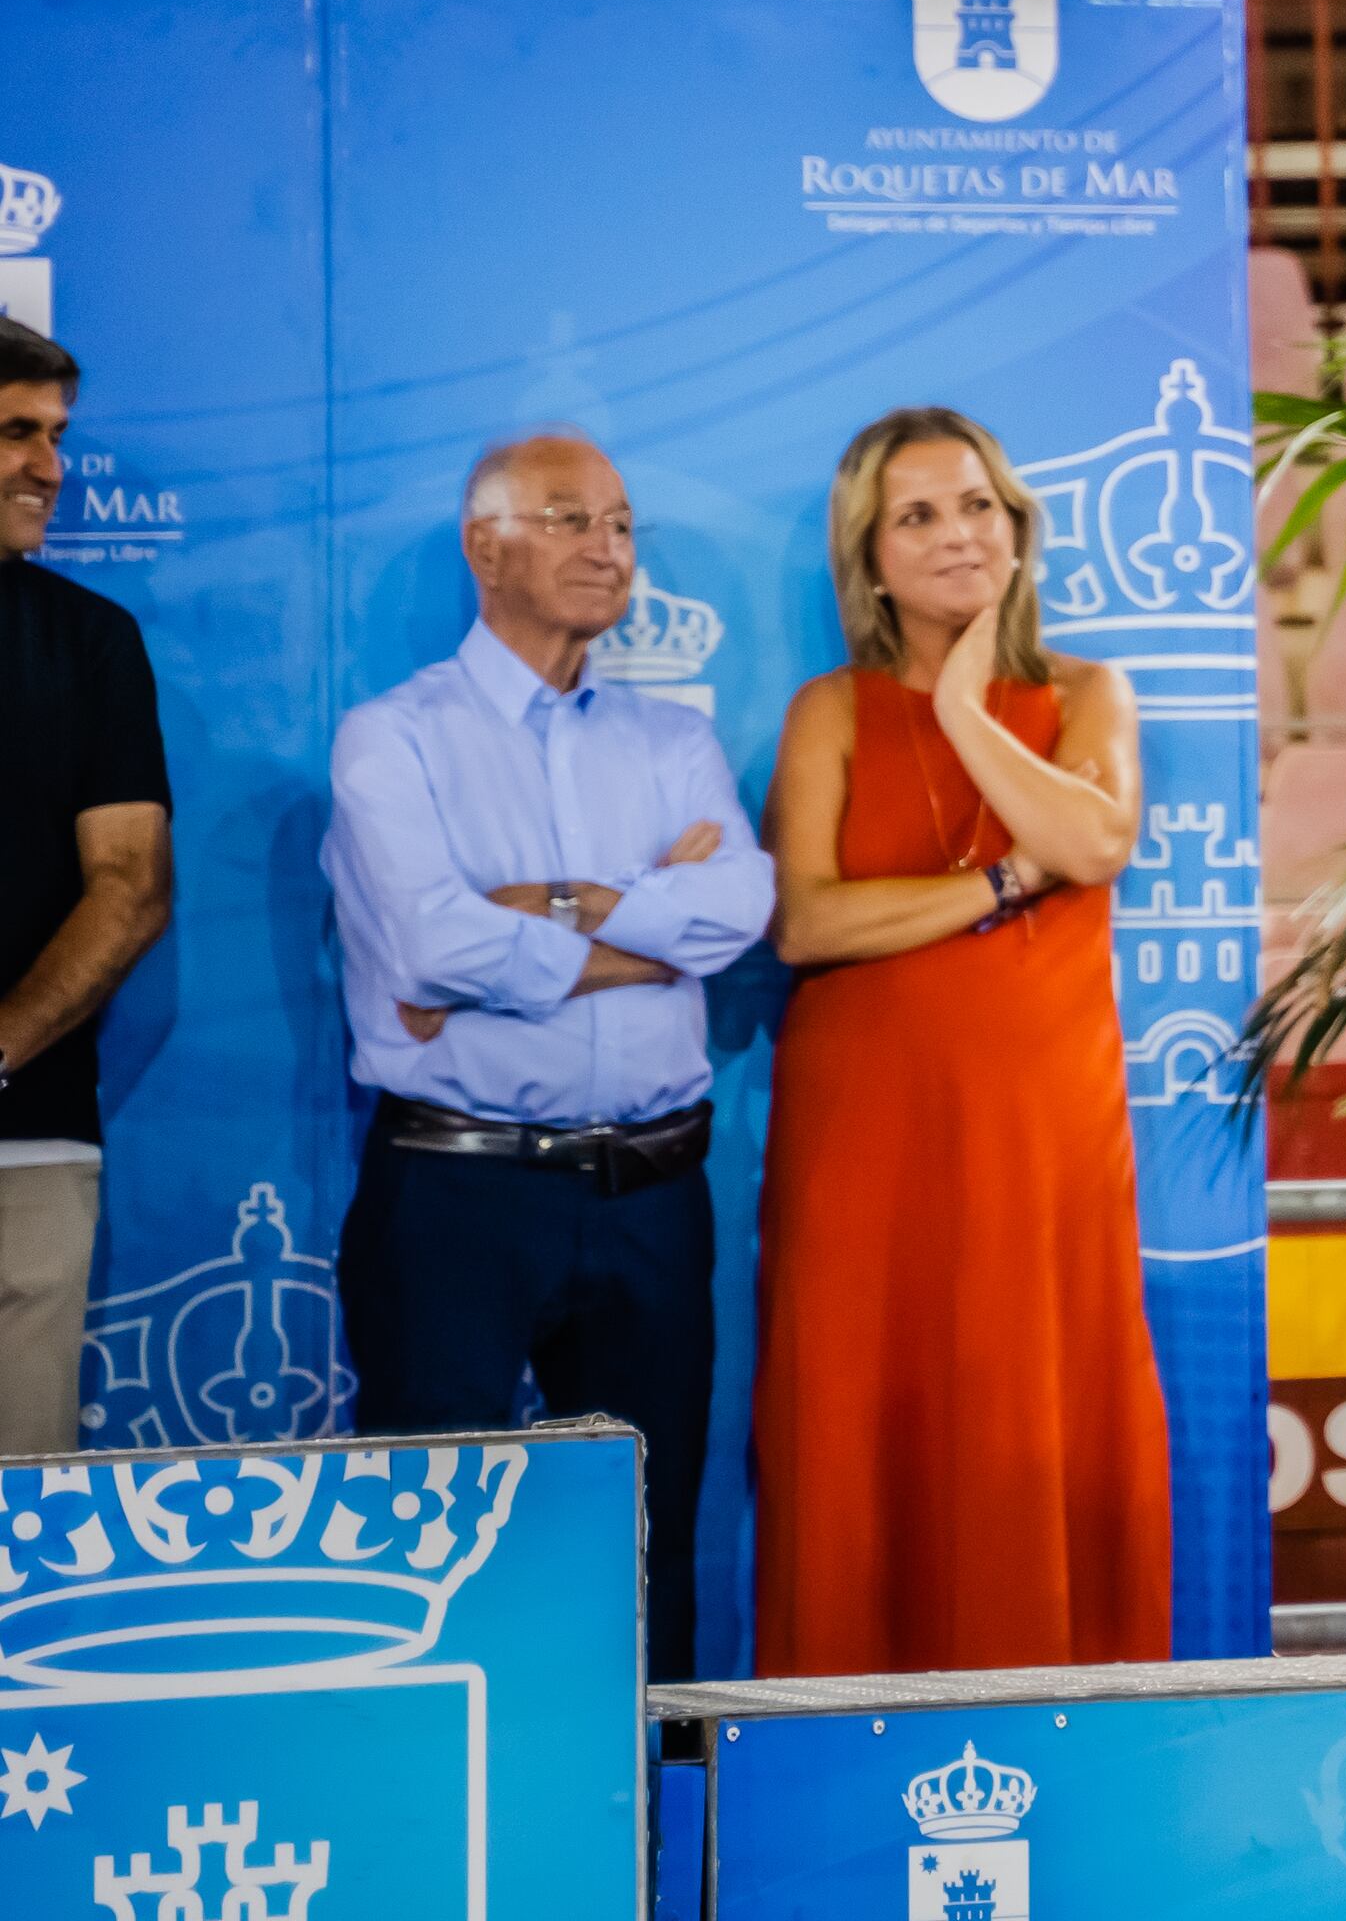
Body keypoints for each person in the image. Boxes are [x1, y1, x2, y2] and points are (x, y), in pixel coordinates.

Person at [324, 429, 767, 1677]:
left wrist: (550, 901)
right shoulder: (392, 736)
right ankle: (430, 1839)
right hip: (458, 1195)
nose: (608, 549)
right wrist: (644, 923)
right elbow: (428, 946)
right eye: (572, 519)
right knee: (425, 1540)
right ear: (487, 546)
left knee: (643, 1551)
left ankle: (655, 1842)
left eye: (622, 525)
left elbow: (736, 914)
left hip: (652, 1197)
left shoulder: (672, 741)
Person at [753, 406, 1170, 1675]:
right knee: (856, 1433)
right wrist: (998, 887)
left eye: (978, 505)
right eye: (917, 515)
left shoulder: (1085, 691)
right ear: (868, 557)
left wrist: (962, 707)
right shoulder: (827, 710)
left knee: (1032, 1415)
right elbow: (806, 921)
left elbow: (1092, 843)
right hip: (866, 1149)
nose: (955, 534)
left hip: (1041, 1143)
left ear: (1018, 527)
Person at [0, 319, 165, 1458]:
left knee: (19, 1543)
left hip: (30, 1145)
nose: (52, 467)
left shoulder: (93, 641)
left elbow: (131, 886)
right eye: (16, 432)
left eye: (56, 435)